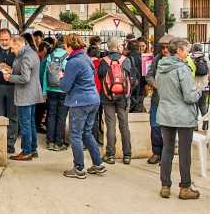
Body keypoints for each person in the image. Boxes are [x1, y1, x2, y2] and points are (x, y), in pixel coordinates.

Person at [156, 37, 201, 200]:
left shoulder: (161, 67)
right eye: (187, 50)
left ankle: (165, 185)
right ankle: (185, 187)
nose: (188, 53)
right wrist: (199, 92)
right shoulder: (183, 69)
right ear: (179, 51)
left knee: (167, 149)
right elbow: (189, 96)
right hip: (183, 115)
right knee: (184, 151)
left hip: (166, 112)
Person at [58, 34, 106, 178]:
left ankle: (79, 168)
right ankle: (98, 163)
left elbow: (65, 86)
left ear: (69, 46)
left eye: (66, 46)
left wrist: (60, 78)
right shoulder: (86, 58)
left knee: (75, 135)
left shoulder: (73, 62)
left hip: (80, 101)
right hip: (93, 99)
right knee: (87, 132)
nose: (65, 49)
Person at [4, 35, 42, 161]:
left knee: (25, 123)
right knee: (30, 122)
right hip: (32, 93)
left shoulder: (25, 56)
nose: (12, 51)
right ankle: (32, 148)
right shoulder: (32, 53)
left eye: (12, 48)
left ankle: (26, 151)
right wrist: (13, 71)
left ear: (19, 45)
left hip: (25, 94)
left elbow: (25, 78)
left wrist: (10, 78)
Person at [98, 36, 133, 165]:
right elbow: (129, 76)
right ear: (118, 47)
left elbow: (101, 76)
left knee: (110, 125)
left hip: (107, 97)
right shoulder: (125, 60)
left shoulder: (104, 61)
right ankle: (127, 154)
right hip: (123, 97)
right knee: (124, 124)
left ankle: (111, 154)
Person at [144, 33, 174, 164]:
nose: (165, 50)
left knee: (169, 129)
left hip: (171, 100)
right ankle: (156, 152)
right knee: (155, 126)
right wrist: (153, 83)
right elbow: (149, 75)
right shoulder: (157, 58)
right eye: (163, 47)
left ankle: (167, 156)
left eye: (167, 47)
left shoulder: (178, 60)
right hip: (157, 99)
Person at [42, 38, 69, 151]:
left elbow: (45, 75)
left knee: (51, 115)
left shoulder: (50, 56)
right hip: (63, 90)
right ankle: (59, 143)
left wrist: (44, 91)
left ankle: (50, 142)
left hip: (51, 89)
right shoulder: (67, 56)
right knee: (61, 116)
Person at [190, 43, 210, 130]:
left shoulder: (191, 57)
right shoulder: (205, 57)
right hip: (204, 85)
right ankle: (205, 123)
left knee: (194, 105)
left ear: (194, 49)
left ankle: (195, 125)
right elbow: (209, 70)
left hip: (194, 85)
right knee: (203, 104)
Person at [126, 40, 145, 113]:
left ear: (128, 48)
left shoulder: (126, 58)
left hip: (130, 89)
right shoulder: (144, 58)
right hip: (140, 89)